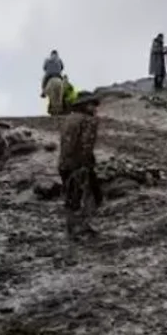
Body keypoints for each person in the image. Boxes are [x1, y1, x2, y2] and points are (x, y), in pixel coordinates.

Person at [58, 91, 102, 237]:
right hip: (79, 164)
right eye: (92, 105)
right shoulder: (89, 121)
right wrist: (86, 164)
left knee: (71, 197)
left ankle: (71, 227)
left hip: (64, 163)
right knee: (89, 195)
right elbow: (85, 145)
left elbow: (65, 143)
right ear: (85, 105)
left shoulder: (69, 119)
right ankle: (82, 227)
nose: (95, 108)